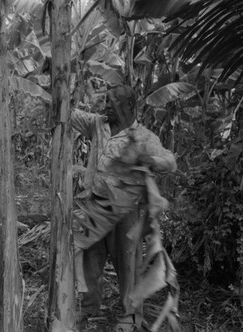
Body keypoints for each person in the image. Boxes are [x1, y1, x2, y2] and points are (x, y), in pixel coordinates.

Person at [71, 85, 177, 332]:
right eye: (106, 101)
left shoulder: (143, 137)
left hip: (124, 213)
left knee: (128, 267)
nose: (106, 106)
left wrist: (150, 160)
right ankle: (86, 310)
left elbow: (170, 161)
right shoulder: (97, 124)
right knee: (89, 262)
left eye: (112, 102)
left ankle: (130, 317)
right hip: (94, 206)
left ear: (129, 106)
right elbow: (69, 113)